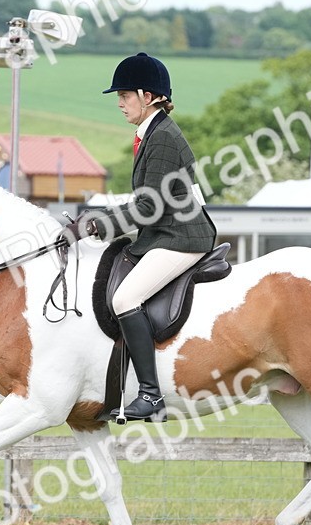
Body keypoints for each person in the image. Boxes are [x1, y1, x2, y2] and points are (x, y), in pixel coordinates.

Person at [66, 52, 218, 421]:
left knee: (125, 298)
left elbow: (149, 208)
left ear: (147, 96)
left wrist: (99, 226)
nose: (119, 103)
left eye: (125, 95)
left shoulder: (163, 137)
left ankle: (150, 395)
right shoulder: (152, 133)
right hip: (163, 233)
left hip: (181, 237)